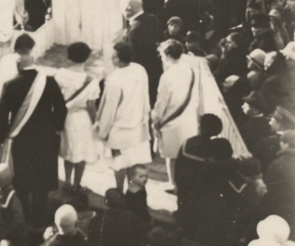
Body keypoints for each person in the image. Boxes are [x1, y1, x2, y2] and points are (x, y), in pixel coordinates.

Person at [0, 33, 67, 225]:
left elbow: (2, 117)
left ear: (17, 65)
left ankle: (24, 215)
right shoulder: (49, 82)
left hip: (21, 141)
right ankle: (39, 216)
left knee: (22, 180)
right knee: (42, 182)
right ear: (33, 60)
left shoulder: (9, 85)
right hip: (46, 138)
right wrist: (55, 127)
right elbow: (61, 108)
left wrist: (2, 139)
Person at [96, 41, 151, 191]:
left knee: (119, 165)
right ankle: (132, 194)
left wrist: (102, 132)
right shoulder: (140, 70)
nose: (111, 60)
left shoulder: (114, 79)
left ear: (120, 59)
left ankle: (120, 193)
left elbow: (109, 110)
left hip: (119, 130)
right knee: (134, 163)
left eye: (113, 57)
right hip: (138, 125)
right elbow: (146, 97)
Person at [151, 39, 200, 189]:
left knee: (171, 156)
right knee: (185, 155)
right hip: (189, 117)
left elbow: (162, 101)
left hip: (171, 120)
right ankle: (185, 184)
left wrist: (155, 118)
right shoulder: (191, 70)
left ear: (166, 55)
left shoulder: (167, 75)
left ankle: (173, 183)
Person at [54, 42, 100, 188]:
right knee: (81, 153)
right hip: (82, 118)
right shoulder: (91, 81)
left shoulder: (60, 74)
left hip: (64, 117)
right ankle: (76, 184)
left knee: (68, 150)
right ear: (87, 58)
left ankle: (67, 181)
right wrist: (95, 122)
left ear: (68, 57)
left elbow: (55, 99)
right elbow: (91, 106)